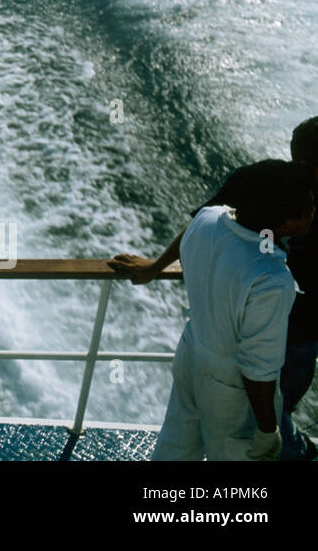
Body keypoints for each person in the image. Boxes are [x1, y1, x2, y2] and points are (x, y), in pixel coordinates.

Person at [110, 160, 315, 460]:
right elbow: (258, 369)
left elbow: (199, 227)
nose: (314, 209)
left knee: (176, 446)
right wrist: (268, 429)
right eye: (309, 205)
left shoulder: (208, 218)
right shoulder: (271, 280)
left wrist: (154, 267)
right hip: (230, 389)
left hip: (192, 352)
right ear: (287, 223)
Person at [279, 118, 318, 459]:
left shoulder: (278, 200)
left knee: (276, 403)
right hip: (297, 334)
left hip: (282, 327)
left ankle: (291, 448)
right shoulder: (298, 207)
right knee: (280, 402)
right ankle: (290, 451)